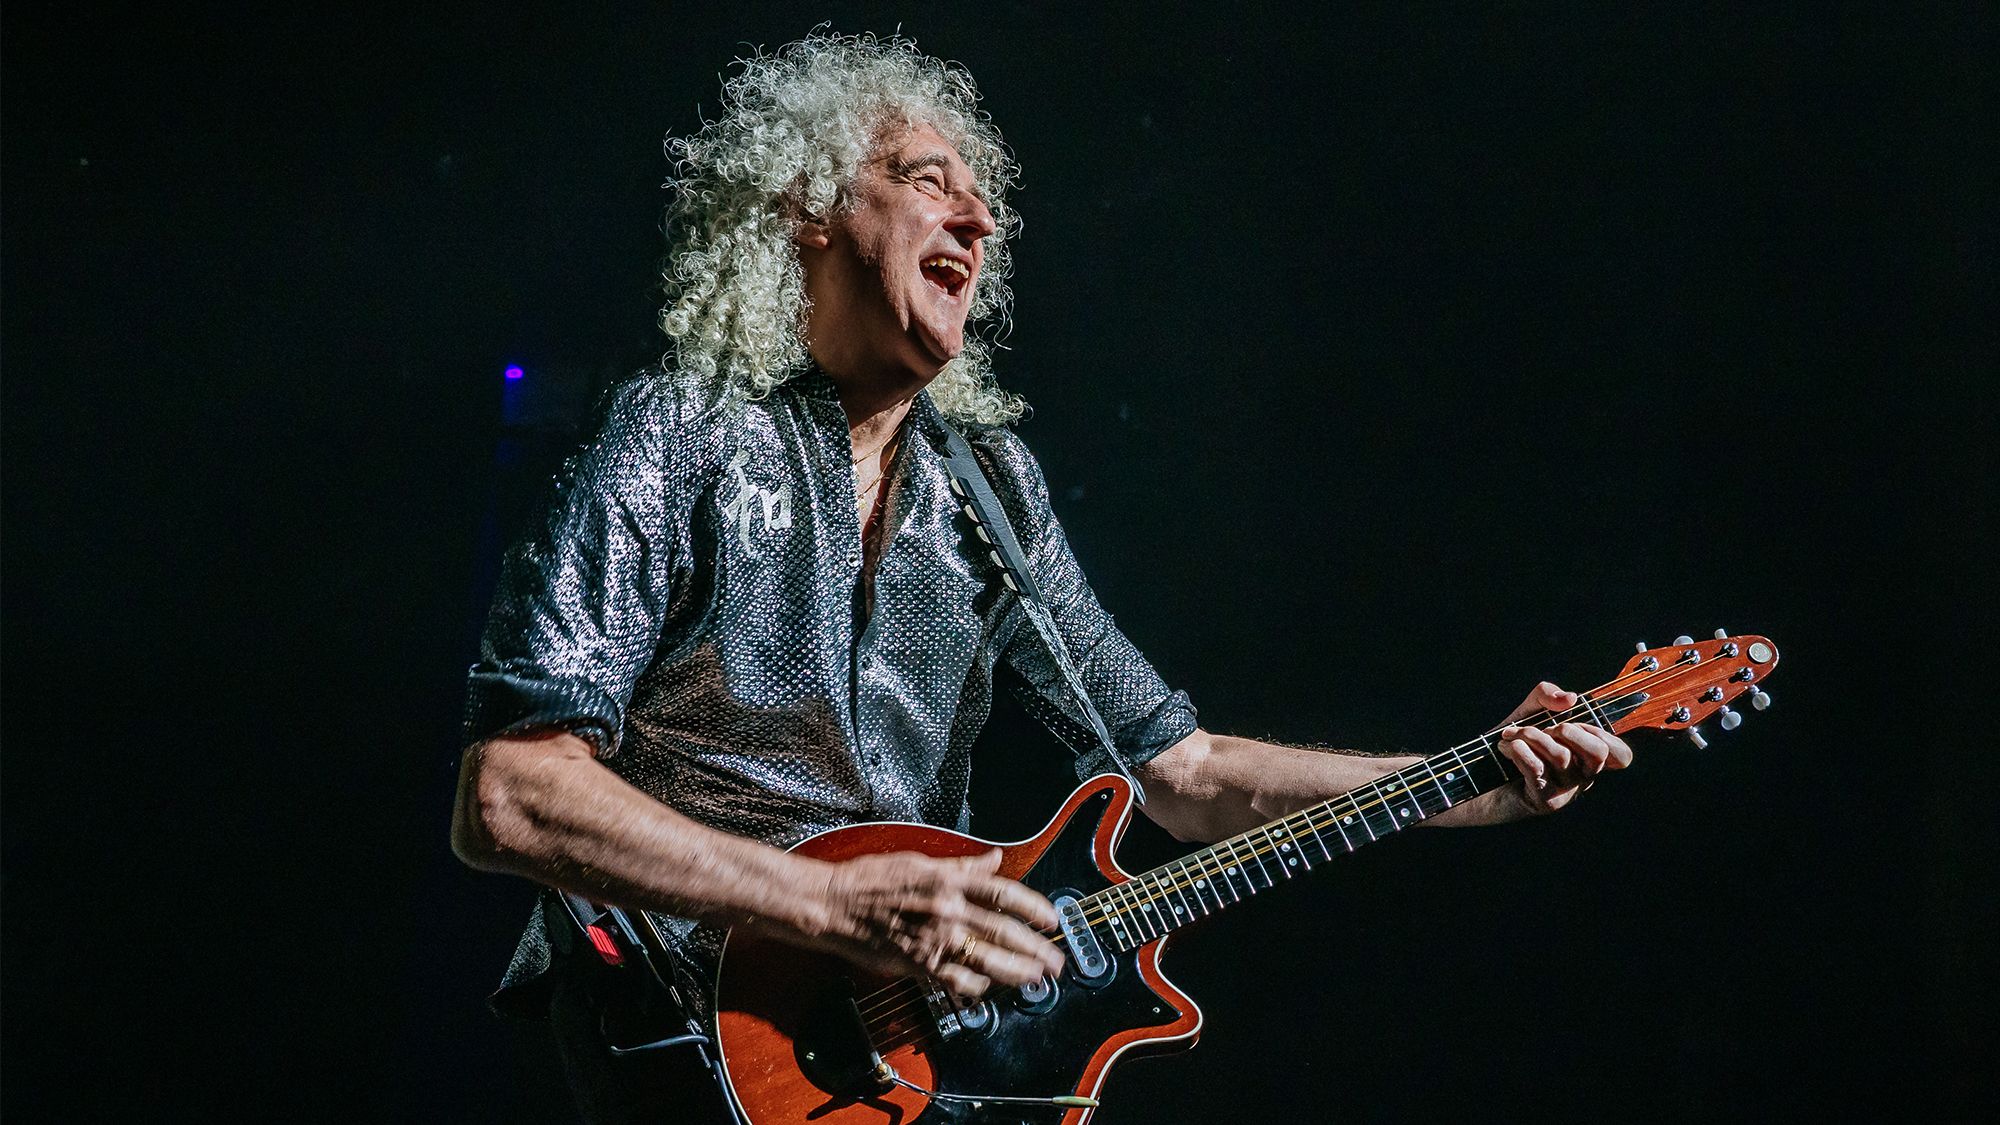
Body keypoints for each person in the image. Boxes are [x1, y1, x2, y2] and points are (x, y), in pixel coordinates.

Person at [450, 32, 1631, 1123]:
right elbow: (510, 791)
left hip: (893, 1073)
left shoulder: (989, 489)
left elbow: (1183, 773)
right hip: (678, 1036)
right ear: (807, 210)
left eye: (984, 205)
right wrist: (825, 906)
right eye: (927, 180)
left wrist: (1468, 778)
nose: (976, 220)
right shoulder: (680, 432)